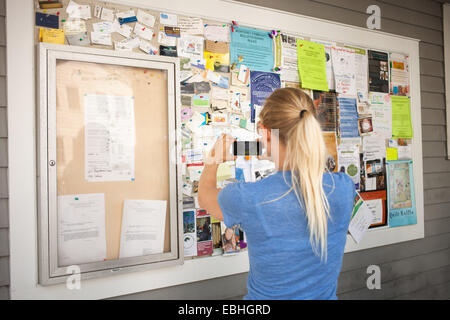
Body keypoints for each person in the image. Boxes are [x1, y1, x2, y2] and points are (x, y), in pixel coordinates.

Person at [198, 88, 356, 300]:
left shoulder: (248, 198)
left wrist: (214, 157)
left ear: (264, 133)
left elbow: (205, 196)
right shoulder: (344, 187)